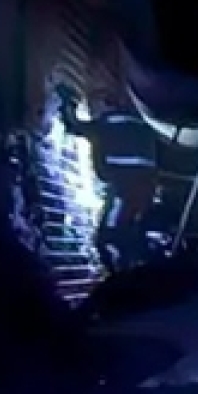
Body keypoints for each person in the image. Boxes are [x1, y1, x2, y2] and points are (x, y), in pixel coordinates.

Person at [57, 87, 165, 271]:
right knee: (128, 234)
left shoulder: (107, 124)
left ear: (106, 104)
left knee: (109, 237)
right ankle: (139, 267)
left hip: (124, 191)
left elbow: (73, 125)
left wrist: (67, 101)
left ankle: (124, 275)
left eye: (94, 104)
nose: (93, 109)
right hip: (144, 190)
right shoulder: (141, 123)